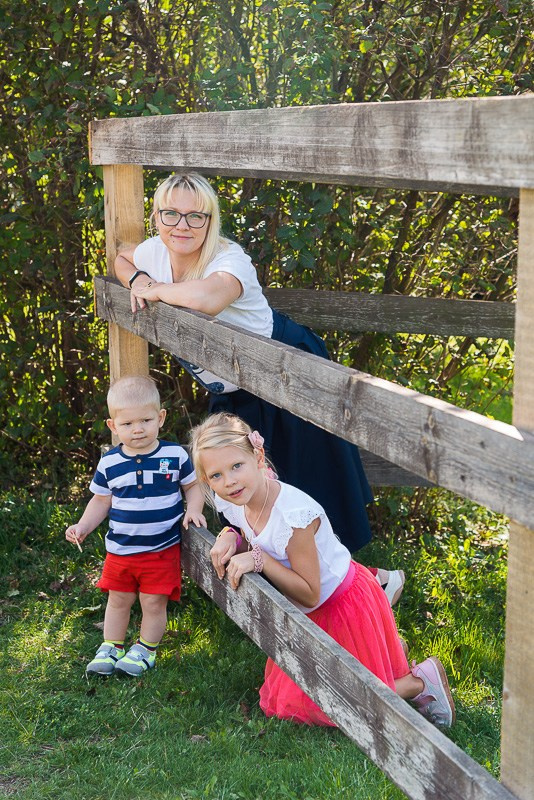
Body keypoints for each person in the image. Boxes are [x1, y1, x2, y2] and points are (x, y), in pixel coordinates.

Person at [113, 172, 374, 557]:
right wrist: (136, 278)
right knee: (244, 486)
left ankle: (360, 582)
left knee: (308, 481)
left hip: (284, 366)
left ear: (210, 220)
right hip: (233, 385)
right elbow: (122, 256)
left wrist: (155, 290)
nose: (182, 226)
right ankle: (275, 575)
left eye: (195, 216)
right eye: (170, 214)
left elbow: (207, 297)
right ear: (156, 217)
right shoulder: (154, 252)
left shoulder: (229, 258)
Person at [190, 412, 455, 728]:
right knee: (284, 701)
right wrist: (229, 536)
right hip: (308, 613)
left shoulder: (294, 516)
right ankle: (386, 656)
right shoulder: (234, 499)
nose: (229, 480)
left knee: (336, 704)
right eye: (216, 475)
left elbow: (310, 591)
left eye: (237, 466)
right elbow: (245, 527)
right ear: (207, 480)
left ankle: (419, 682)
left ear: (257, 456)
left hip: (341, 606)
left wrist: (259, 560)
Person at [65, 375, 206, 677]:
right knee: (119, 599)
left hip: (160, 549)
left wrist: (193, 510)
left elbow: (194, 487)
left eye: (145, 420)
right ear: (113, 426)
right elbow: (101, 501)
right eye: (127, 424)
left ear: (161, 418)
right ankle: (112, 646)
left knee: (153, 601)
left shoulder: (174, 455)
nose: (138, 429)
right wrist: (83, 525)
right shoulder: (110, 463)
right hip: (120, 550)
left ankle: (145, 649)